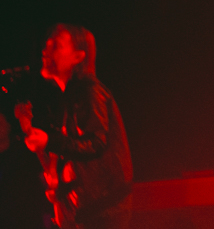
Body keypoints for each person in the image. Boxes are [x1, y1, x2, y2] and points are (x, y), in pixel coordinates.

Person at [23, 25, 133, 229]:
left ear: (77, 57)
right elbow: (77, 152)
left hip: (104, 213)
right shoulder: (72, 97)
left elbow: (95, 144)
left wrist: (50, 141)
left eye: (56, 45)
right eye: (47, 45)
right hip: (91, 212)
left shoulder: (90, 92)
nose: (45, 50)